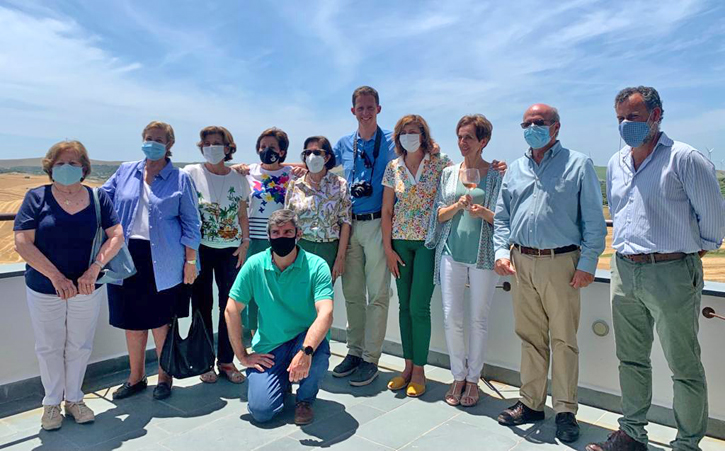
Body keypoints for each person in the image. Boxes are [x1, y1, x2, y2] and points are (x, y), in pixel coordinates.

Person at [586, 87, 725, 451]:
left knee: (684, 366)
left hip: (671, 272)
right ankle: (632, 433)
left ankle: (687, 444)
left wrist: (682, 257)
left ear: (656, 115)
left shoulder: (685, 159)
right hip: (624, 270)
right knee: (630, 359)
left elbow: (713, 225)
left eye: (633, 117)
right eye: (620, 118)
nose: (626, 125)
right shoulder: (616, 163)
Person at [493, 104, 606, 443]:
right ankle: (530, 403)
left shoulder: (578, 164)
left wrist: (587, 264)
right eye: (526, 123)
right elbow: (502, 217)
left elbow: (593, 221)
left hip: (562, 263)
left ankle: (566, 410)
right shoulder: (515, 169)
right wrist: (501, 252)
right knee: (530, 336)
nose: (531, 128)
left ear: (556, 127)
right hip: (522, 260)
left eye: (538, 122)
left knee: (563, 340)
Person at [13, 140, 125, 430]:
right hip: (44, 287)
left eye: (74, 163)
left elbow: (116, 235)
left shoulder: (98, 199)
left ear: (84, 168)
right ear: (51, 167)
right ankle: (51, 404)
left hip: (88, 287)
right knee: (49, 346)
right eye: (61, 163)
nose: (67, 168)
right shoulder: (36, 198)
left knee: (80, 345)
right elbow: (23, 242)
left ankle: (74, 399)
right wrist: (56, 277)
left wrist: (94, 269)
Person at [102, 121, 201, 401]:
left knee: (161, 323)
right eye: (148, 138)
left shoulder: (180, 178)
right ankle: (135, 378)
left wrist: (190, 261)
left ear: (169, 144)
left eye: (159, 139)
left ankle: (164, 376)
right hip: (125, 256)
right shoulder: (125, 171)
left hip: (164, 259)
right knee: (132, 322)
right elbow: (102, 200)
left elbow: (192, 223)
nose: (153, 143)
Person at [224, 209, 333, 425]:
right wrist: (242, 356)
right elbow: (231, 309)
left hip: (304, 339)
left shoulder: (316, 266)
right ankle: (282, 382)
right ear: (269, 236)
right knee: (261, 412)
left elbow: (326, 312)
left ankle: (304, 400)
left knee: (318, 353)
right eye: (275, 233)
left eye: (287, 232)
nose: (281, 237)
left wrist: (306, 351)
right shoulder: (255, 264)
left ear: (298, 234)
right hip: (271, 344)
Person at [425, 114, 502, 407]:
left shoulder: (495, 175)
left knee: (478, 319)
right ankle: (458, 375)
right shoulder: (448, 173)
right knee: (451, 316)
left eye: (468, 137)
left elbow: (503, 220)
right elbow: (439, 215)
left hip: (483, 255)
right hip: (451, 253)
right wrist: (457, 207)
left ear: (483, 141)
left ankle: (473, 380)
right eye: (459, 136)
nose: (462, 142)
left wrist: (483, 213)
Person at [330, 86, 397, 386]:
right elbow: (315, 163)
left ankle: (371, 358)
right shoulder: (344, 143)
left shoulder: (393, 142)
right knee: (353, 294)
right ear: (353, 110)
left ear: (379, 109)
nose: (366, 112)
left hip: (377, 225)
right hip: (348, 225)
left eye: (371, 107)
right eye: (361, 107)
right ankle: (354, 352)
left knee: (379, 295)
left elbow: (429, 155)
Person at [381, 114, 452, 397]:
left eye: (414, 131)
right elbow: (387, 210)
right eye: (403, 132)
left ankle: (420, 370)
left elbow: (465, 175)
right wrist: (387, 249)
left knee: (418, 306)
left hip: (427, 242)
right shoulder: (393, 167)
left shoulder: (440, 162)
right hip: (399, 243)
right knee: (403, 307)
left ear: (423, 135)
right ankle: (407, 366)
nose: (408, 136)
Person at [183, 126, 250, 384]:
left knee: (230, 306)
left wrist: (245, 242)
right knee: (201, 305)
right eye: (207, 143)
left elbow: (242, 213)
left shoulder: (238, 177)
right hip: (199, 250)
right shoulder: (191, 173)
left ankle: (226, 360)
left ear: (228, 148)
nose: (212, 148)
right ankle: (202, 361)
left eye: (217, 143)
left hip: (230, 251)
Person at [243, 127, 296, 332]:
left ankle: (280, 332)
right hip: (254, 239)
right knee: (255, 289)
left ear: (282, 151)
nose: (266, 150)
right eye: (263, 146)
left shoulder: (291, 174)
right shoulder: (248, 172)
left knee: (280, 288)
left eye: (272, 147)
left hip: (281, 239)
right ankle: (256, 334)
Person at [284, 136, 351, 276]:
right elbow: (287, 220)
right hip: (300, 247)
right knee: (298, 295)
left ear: (327, 157)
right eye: (307, 153)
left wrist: (340, 258)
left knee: (323, 295)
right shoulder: (295, 185)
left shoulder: (340, 184)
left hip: (328, 248)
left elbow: (345, 222)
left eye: (316, 152)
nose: (311, 156)